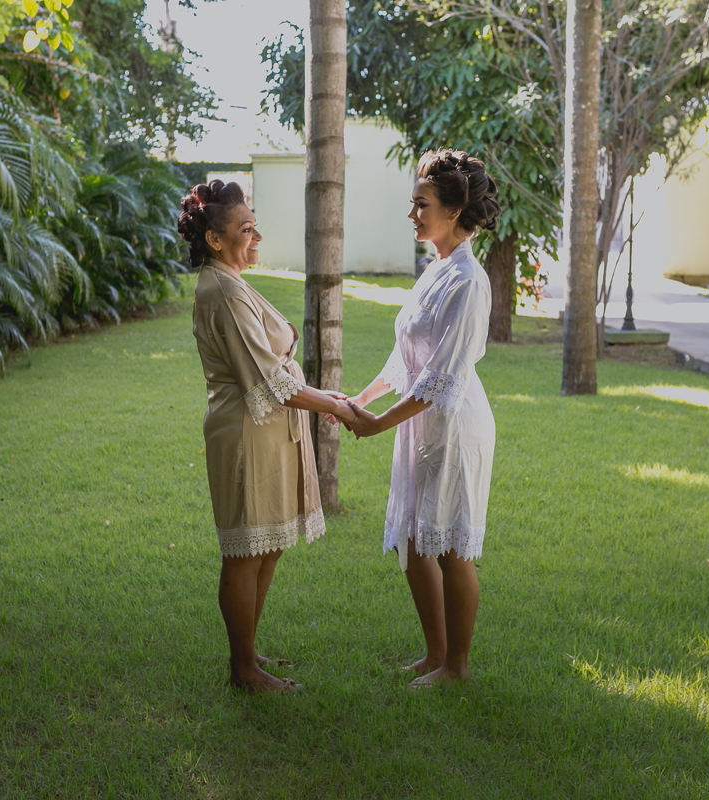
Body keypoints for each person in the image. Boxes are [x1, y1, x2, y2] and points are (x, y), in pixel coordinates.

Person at [179, 180, 356, 693]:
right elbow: (271, 381)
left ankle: (248, 651)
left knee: (269, 543)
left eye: (254, 224)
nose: (254, 235)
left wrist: (324, 401)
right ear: (214, 239)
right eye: (244, 228)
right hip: (246, 431)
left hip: (269, 430)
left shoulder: (231, 281)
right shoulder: (222, 290)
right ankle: (243, 670)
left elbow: (276, 374)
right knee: (245, 550)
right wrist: (336, 405)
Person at [345, 150, 499, 687]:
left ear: (455, 211)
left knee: (451, 547)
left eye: (422, 204)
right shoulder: (434, 269)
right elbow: (406, 356)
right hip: (419, 422)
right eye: (413, 203)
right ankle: (435, 654)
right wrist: (362, 398)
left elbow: (441, 378)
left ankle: (457, 667)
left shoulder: (468, 281)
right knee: (414, 546)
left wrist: (376, 423)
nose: (413, 214)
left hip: (453, 424)